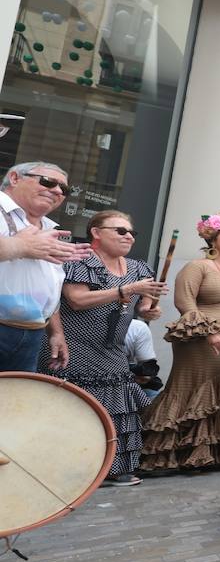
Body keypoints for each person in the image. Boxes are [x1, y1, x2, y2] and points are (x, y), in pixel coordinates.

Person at [45, 210, 166, 485]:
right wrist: (126, 290)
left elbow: (144, 306)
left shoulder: (138, 268)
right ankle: (67, 470)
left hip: (112, 349)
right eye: (120, 231)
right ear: (96, 233)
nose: (128, 236)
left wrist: (149, 310)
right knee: (74, 406)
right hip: (73, 346)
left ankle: (113, 468)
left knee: (118, 405)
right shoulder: (81, 260)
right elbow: (76, 300)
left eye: (131, 232)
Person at [141, 215, 220, 471]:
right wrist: (208, 332)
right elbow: (184, 303)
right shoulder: (197, 267)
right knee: (197, 388)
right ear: (213, 239)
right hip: (199, 341)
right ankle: (175, 454)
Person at [0, 161, 89, 371]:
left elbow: (46, 287)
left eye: (64, 189)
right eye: (48, 182)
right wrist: (19, 245)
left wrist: (56, 332)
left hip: (32, 333)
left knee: (14, 403)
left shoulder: (49, 227)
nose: (57, 190)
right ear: (15, 178)